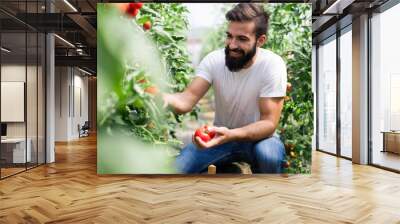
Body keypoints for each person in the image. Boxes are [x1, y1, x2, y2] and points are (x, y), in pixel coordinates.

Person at [162, 3, 287, 174]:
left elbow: (268, 123)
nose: (232, 45)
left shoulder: (272, 65)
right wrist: (161, 97)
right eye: (229, 36)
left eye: (242, 39)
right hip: (220, 139)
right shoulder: (214, 60)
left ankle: (267, 195)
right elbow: (187, 99)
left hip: (261, 139)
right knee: (176, 169)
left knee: (269, 156)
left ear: (260, 41)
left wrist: (233, 133)